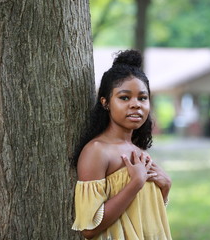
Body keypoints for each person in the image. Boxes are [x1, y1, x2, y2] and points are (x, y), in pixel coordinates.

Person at [71, 49, 172, 240]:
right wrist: (135, 183)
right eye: (124, 97)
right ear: (106, 102)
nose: (136, 104)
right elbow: (89, 228)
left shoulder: (138, 152)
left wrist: (165, 188)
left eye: (142, 98)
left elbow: (142, 215)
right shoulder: (97, 151)